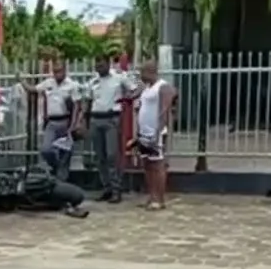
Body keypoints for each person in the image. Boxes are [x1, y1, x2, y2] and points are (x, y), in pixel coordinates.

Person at [85, 57, 139, 203]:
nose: (99, 68)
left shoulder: (119, 77)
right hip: (96, 118)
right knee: (100, 156)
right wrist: (86, 121)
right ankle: (107, 188)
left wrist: (126, 101)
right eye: (97, 65)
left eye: (102, 65)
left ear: (108, 64)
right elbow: (88, 101)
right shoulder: (92, 81)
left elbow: (136, 89)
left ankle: (116, 189)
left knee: (112, 155)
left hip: (112, 118)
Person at [18, 59, 82, 180]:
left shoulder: (72, 85)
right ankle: (56, 166)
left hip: (66, 121)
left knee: (65, 153)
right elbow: (32, 89)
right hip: (52, 122)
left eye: (60, 71)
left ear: (65, 71)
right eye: (55, 71)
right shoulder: (49, 83)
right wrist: (22, 81)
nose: (57, 74)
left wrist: (73, 125)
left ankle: (62, 181)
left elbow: (77, 106)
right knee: (46, 150)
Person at [131, 60, 176, 211]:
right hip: (144, 131)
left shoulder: (162, 87)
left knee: (158, 165)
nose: (141, 76)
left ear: (151, 71)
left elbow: (164, 111)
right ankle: (152, 196)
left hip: (156, 132)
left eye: (143, 72)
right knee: (148, 165)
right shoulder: (146, 88)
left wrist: (158, 131)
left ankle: (160, 199)